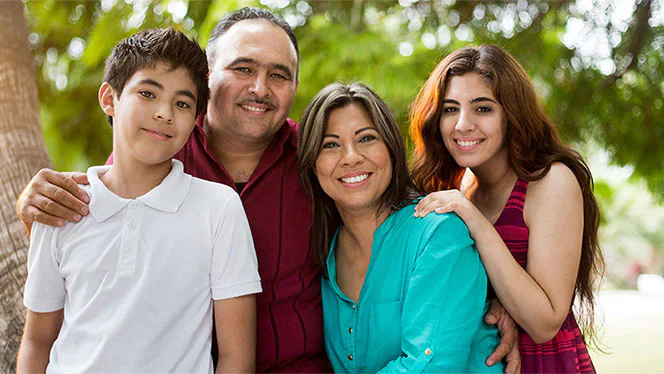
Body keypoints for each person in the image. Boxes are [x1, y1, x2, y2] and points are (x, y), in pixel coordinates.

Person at [16, 8, 519, 373]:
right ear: (206, 78)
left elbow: (404, 218)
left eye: (279, 75)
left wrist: (489, 306)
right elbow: (98, 222)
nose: (260, 87)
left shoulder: (320, 157)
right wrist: (30, 205)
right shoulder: (161, 152)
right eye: (243, 69)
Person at [16, 28, 261, 373]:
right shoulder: (62, 206)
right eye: (148, 93)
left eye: (182, 103)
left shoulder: (218, 208)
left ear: (195, 120)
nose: (164, 113)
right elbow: (38, 340)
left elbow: (237, 358)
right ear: (109, 98)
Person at [410, 44, 604, 373]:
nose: (462, 124)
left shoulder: (551, 182)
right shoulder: (462, 189)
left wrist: (474, 221)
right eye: (450, 109)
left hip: (545, 363)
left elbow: (545, 323)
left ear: (511, 114)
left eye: (482, 109)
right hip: (483, 359)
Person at [298, 82, 504, 372]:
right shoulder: (325, 249)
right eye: (330, 145)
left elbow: (432, 365)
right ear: (312, 163)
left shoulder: (437, 233)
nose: (351, 157)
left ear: (391, 149)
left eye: (366, 138)